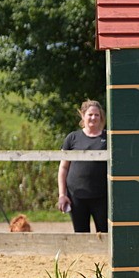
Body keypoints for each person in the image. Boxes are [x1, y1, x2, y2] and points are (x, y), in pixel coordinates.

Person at [57, 99, 108, 233]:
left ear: (101, 117)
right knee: (80, 234)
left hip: (102, 197)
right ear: (83, 116)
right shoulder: (72, 138)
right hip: (76, 197)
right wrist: (62, 194)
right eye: (90, 114)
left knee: (105, 233)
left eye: (97, 115)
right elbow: (63, 168)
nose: (93, 118)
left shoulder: (108, 137)